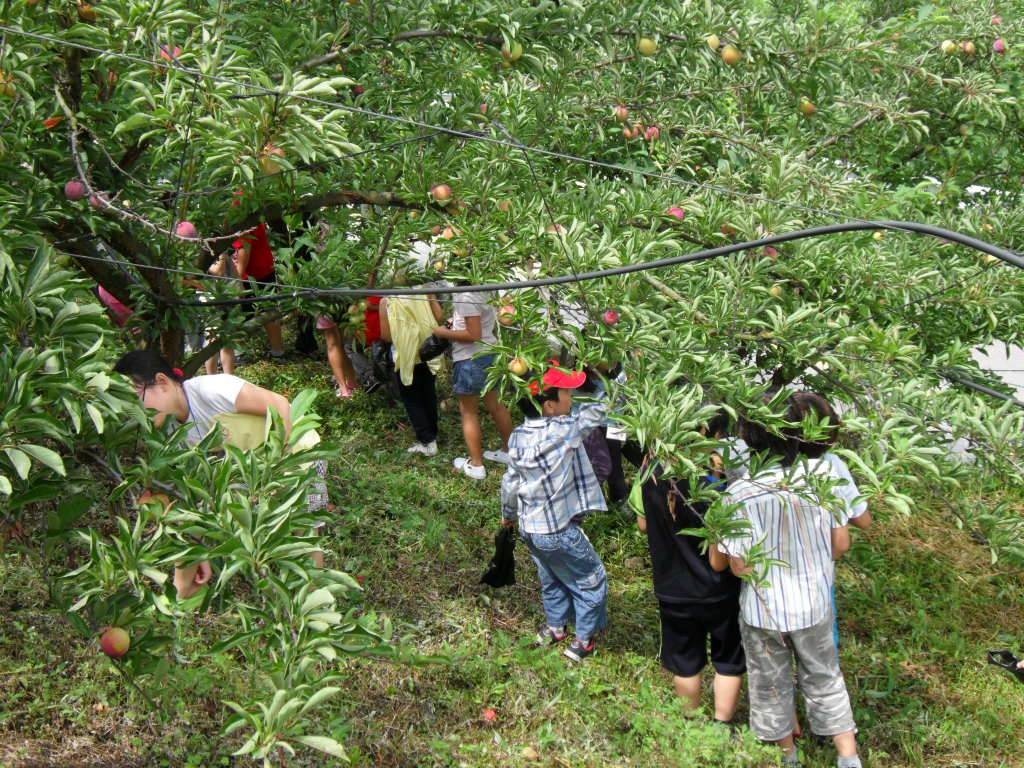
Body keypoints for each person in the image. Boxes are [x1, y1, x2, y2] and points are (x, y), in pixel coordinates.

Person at [710, 392, 862, 768]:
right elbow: (840, 544)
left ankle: (788, 756)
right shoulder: (822, 483)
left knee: (771, 684)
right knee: (825, 674)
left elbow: (737, 567)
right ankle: (848, 757)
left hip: (763, 611)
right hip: (813, 602)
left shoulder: (739, 494)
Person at [113, 350, 328, 597]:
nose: (135, 412)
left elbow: (279, 406)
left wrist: (276, 465)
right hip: (252, 472)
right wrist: (198, 551)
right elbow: (189, 500)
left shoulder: (212, 389)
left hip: (298, 455)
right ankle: (182, 597)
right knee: (213, 517)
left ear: (162, 382)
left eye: (136, 399)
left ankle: (312, 605)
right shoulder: (170, 431)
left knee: (303, 531)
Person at [635, 409, 745, 724]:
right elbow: (717, 554)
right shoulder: (714, 476)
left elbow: (644, 523)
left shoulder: (651, 466)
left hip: (671, 586)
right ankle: (722, 723)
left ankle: (691, 722)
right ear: (711, 436)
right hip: (717, 588)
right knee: (728, 658)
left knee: (684, 659)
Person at [501, 363, 609, 662]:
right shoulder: (564, 431)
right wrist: (625, 375)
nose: (571, 399)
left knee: (551, 576)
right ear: (549, 406)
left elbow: (510, 482)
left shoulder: (519, 435)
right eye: (566, 395)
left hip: (529, 527)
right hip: (558, 530)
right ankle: (583, 641)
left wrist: (508, 514)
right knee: (592, 578)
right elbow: (599, 410)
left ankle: (555, 627)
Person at [431, 290, 513, 479]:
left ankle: (476, 465)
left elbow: (473, 334)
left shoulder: (465, 295)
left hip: (471, 359)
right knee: (497, 406)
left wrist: (442, 332)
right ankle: (509, 452)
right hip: (490, 354)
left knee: (469, 412)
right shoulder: (487, 288)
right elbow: (477, 321)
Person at [379, 294, 445, 455]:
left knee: (412, 399)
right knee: (428, 393)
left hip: (405, 357)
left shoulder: (387, 300)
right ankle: (432, 434)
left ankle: (428, 442)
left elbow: (386, 336)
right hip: (428, 352)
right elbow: (440, 318)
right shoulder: (424, 291)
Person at [234, 222, 284, 360]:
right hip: (265, 268)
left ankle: (240, 353)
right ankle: (277, 351)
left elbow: (244, 248)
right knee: (269, 310)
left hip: (252, 274)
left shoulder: (239, 212)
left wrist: (238, 280)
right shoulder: (252, 211)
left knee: (239, 313)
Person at [202, 250, 237, 375]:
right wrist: (222, 254)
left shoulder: (223, 247)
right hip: (210, 296)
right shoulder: (203, 251)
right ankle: (211, 376)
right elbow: (219, 272)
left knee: (227, 339)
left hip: (226, 294)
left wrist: (239, 287)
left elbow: (232, 270)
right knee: (213, 338)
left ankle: (229, 377)